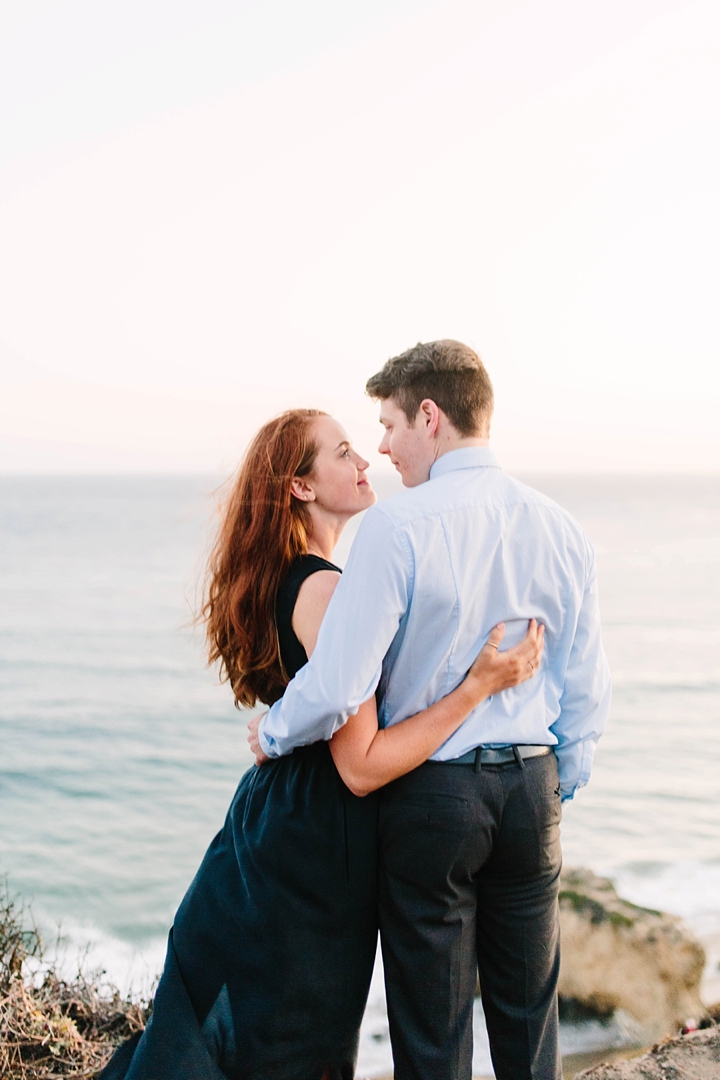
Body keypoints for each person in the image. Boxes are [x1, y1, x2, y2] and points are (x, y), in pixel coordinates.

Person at [100, 407, 544, 1080]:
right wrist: (478, 688)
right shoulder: (328, 589)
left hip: (273, 833)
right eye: (341, 452)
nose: (365, 460)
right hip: (310, 853)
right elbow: (363, 766)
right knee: (286, 1045)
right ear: (301, 487)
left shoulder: (294, 577)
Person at [250, 342, 612, 1080]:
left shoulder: (398, 527)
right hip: (532, 790)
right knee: (527, 1016)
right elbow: (585, 684)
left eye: (387, 426)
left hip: (434, 799)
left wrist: (274, 729)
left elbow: (342, 683)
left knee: (433, 1023)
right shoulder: (560, 526)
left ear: (429, 415)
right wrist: (558, 782)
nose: (381, 448)